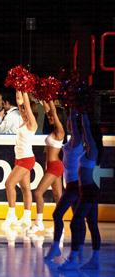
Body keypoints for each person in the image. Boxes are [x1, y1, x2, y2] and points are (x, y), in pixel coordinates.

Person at [60, 112, 103, 270]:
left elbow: (85, 128)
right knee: (92, 224)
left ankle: (73, 257)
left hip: (88, 191)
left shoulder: (93, 150)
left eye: (87, 134)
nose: (84, 135)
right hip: (86, 190)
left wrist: (82, 110)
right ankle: (95, 260)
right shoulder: (87, 150)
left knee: (75, 222)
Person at [44, 109, 83, 261]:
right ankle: (71, 251)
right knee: (74, 218)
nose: (69, 123)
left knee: (63, 216)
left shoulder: (80, 140)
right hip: (70, 185)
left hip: (77, 185)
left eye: (71, 121)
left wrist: (75, 111)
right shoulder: (68, 139)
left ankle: (68, 251)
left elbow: (55, 112)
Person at [2, 91, 37, 229]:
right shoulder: (24, 122)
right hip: (20, 159)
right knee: (25, 188)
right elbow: (20, 102)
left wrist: (26, 91)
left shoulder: (32, 124)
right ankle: (27, 217)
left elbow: (26, 105)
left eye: (24, 110)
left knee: (9, 184)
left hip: (26, 159)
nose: (22, 111)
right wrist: (19, 88)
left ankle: (12, 215)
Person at [29, 100, 65, 233]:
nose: (49, 117)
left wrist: (49, 98)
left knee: (38, 192)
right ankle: (58, 228)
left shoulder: (60, 131)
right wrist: (43, 99)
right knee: (57, 197)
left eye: (52, 117)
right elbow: (49, 111)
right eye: (49, 116)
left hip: (55, 166)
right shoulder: (54, 131)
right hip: (52, 166)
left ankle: (39, 223)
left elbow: (53, 112)